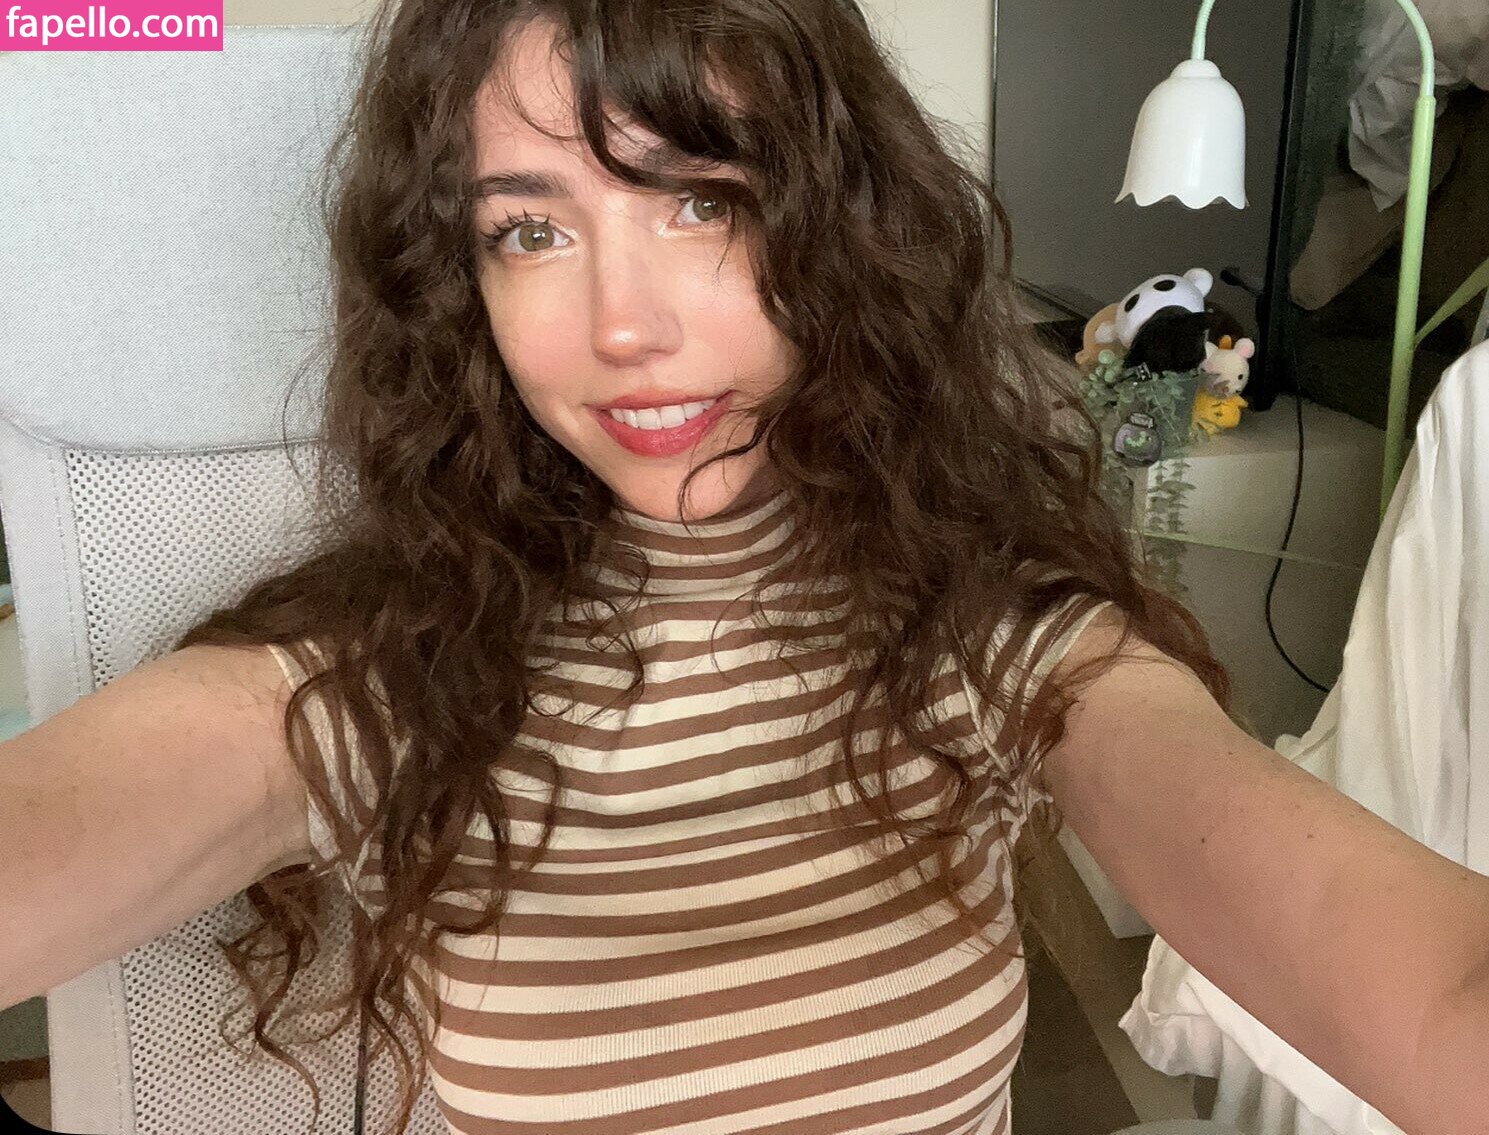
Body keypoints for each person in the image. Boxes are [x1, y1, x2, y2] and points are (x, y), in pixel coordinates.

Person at [1, 2, 1486, 1134]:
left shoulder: (996, 636)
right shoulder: (386, 682)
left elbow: (1428, 997)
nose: (621, 327)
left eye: (703, 199)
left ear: (843, 231)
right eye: (529, 229)